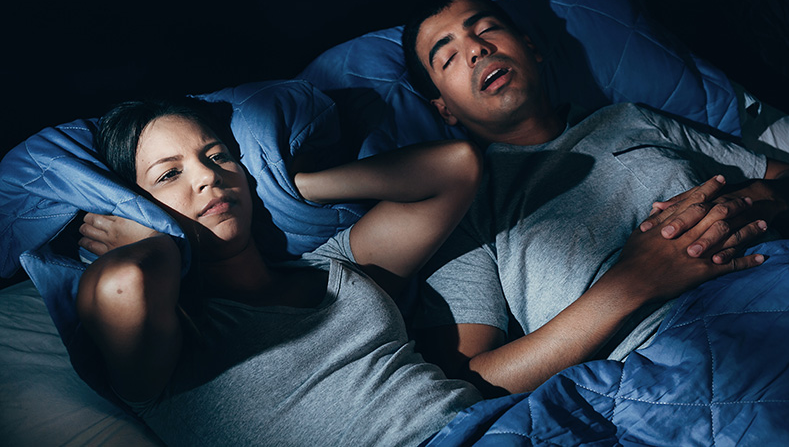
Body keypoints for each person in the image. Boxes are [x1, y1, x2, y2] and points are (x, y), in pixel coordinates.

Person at [401, 0, 789, 397]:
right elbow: (472, 383)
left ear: (532, 47)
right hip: (666, 371)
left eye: (486, 29)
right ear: (444, 110)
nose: (476, 49)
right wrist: (632, 282)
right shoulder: (463, 209)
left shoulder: (631, 119)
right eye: (447, 56)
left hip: (774, 276)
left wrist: (757, 198)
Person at [74, 97, 486, 446]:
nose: (208, 176)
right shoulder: (174, 342)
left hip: (489, 425)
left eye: (217, 156)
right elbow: (122, 285)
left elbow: (456, 166)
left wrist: (289, 188)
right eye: (169, 174)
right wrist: (157, 238)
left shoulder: (332, 266)